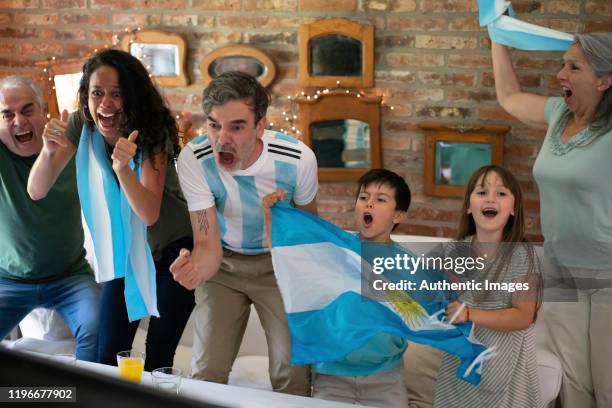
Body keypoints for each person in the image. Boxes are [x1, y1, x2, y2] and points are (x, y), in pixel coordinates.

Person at [27, 49, 194, 372]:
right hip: (125, 252)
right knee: (107, 357)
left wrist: (123, 168)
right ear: (86, 96)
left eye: (117, 94)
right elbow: (37, 190)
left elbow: (149, 213)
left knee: (158, 359)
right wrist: (48, 153)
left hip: (174, 249)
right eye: (97, 93)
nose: (106, 103)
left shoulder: (151, 129)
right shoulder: (81, 124)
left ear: (132, 97)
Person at [169, 71, 317, 396]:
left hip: (280, 266)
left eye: (236, 126)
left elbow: (308, 237)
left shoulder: (298, 160)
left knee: (291, 374)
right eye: (214, 125)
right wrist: (194, 271)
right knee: (206, 373)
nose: (223, 138)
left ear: (260, 125)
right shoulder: (194, 158)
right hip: (222, 267)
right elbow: (207, 245)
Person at [491, 33, 612, 407]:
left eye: (574, 67)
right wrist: (497, 37)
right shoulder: (559, 113)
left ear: (604, 80)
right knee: (573, 387)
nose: (561, 74)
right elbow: (510, 98)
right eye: (563, 63)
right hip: (562, 274)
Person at [262, 168, 411, 407]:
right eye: (364, 198)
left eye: (380, 200)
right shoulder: (334, 248)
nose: (369, 204)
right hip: (332, 377)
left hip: (386, 379)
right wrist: (272, 216)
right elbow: (288, 258)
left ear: (398, 215)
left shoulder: (408, 265)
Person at [0, 76, 100, 361]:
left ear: (44, 110)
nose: (18, 121)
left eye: (27, 110)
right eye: (7, 114)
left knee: (95, 329)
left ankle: (80, 397)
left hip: (70, 276)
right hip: (9, 280)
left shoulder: (70, 143)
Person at [433, 165, 542, 408]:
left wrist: (470, 313)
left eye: (501, 193)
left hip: (507, 367)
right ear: (468, 207)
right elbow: (443, 305)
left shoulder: (521, 256)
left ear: (513, 209)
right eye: (482, 192)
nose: (491, 198)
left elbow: (523, 316)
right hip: (460, 367)